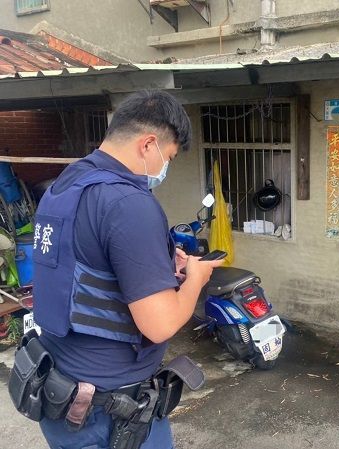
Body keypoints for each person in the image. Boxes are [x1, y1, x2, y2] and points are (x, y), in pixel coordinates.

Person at [32, 90, 223, 448]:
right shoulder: (129, 202)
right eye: (169, 157)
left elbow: (88, 265)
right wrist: (195, 280)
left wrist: (163, 265)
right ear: (149, 144)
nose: (166, 168)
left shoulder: (67, 183)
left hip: (59, 388)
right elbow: (160, 323)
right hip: (108, 411)